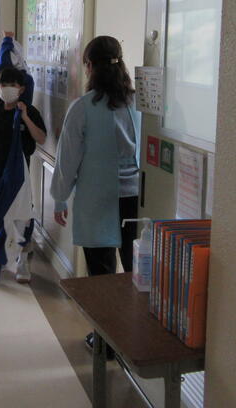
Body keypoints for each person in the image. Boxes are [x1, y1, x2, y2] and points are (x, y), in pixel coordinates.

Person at [50, 35, 140, 354]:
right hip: (136, 200)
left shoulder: (84, 108)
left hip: (97, 200)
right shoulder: (138, 103)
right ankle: (133, 336)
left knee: (102, 275)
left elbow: (68, 159)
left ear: (89, 66)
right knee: (135, 272)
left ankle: (106, 343)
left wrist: (60, 197)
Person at [0, 67, 46, 283]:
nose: (7, 89)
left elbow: (41, 138)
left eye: (12, 85)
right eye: (3, 85)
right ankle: (1, 256)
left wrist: (25, 117)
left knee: (22, 216)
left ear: (21, 89)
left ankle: (22, 259)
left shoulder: (29, 111)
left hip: (19, 176)